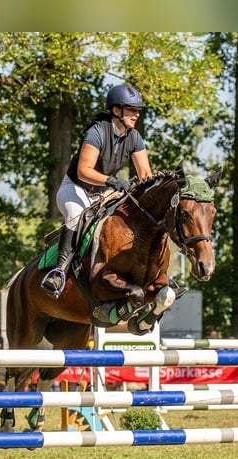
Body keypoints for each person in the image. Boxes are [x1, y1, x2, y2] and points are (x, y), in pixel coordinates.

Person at [41, 84, 154, 298]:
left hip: (103, 193)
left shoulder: (134, 137)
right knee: (76, 215)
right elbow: (84, 171)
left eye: (137, 110)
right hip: (75, 188)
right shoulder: (97, 131)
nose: (136, 114)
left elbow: (145, 175)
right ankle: (59, 272)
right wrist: (112, 181)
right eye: (131, 109)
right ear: (116, 110)